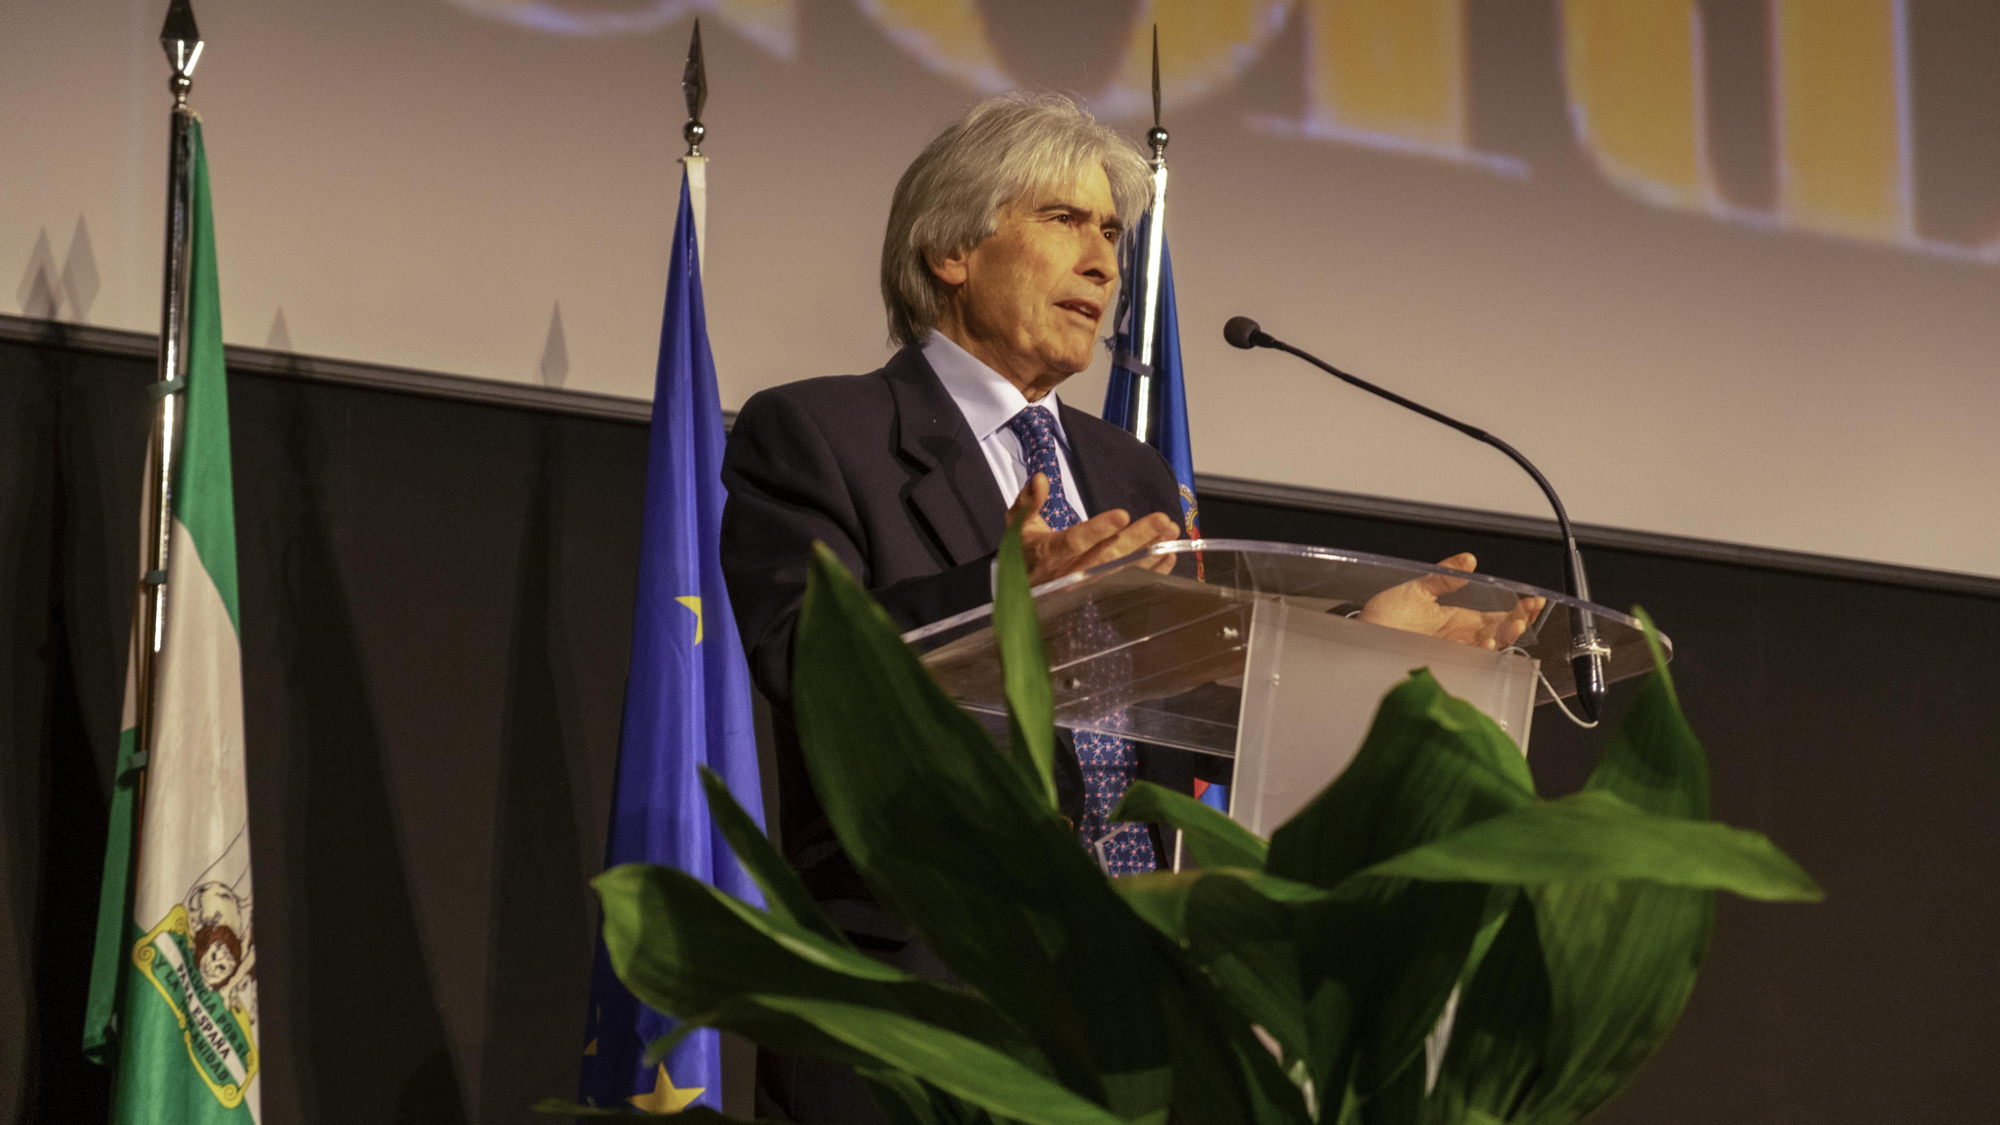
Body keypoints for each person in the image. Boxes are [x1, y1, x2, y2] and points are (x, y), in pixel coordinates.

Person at [720, 90, 1539, 1123]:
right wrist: (1001, 592)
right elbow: (810, 663)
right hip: (931, 998)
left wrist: (1353, 653)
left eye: (1110, 231)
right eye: (1063, 221)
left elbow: (1189, 717)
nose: (1105, 263)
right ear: (950, 253)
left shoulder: (1129, 472)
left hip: (1146, 1011)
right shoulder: (818, 434)